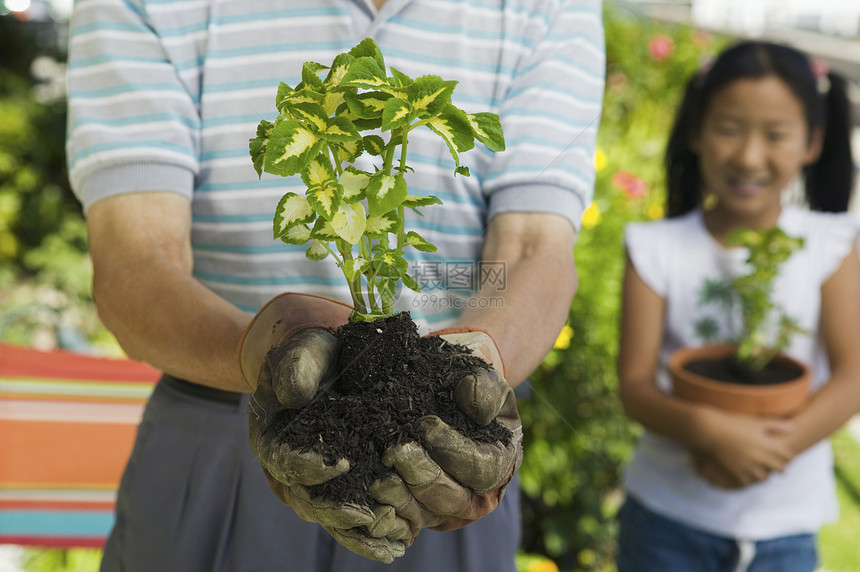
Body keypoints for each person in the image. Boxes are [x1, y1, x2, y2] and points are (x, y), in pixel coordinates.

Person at [65, 0, 605, 570]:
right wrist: (261, 352)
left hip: (444, 457)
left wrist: (483, 362)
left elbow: (534, 248)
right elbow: (137, 262)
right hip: (220, 436)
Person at [616, 40, 860, 572]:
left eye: (775, 135)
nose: (749, 156)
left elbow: (853, 376)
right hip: (664, 520)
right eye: (729, 129)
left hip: (784, 531)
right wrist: (710, 432)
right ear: (697, 132)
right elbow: (634, 388)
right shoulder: (654, 248)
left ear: (813, 141)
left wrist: (770, 447)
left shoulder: (831, 243)